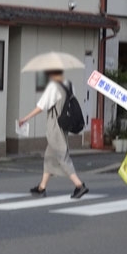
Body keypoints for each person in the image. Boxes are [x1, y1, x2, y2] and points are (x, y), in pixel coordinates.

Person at [19, 70, 89, 199]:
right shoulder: (68, 84)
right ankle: (42, 187)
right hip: (64, 124)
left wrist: (25, 118)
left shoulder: (53, 87)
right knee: (49, 157)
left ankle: (79, 185)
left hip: (54, 125)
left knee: (62, 156)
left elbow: (41, 106)